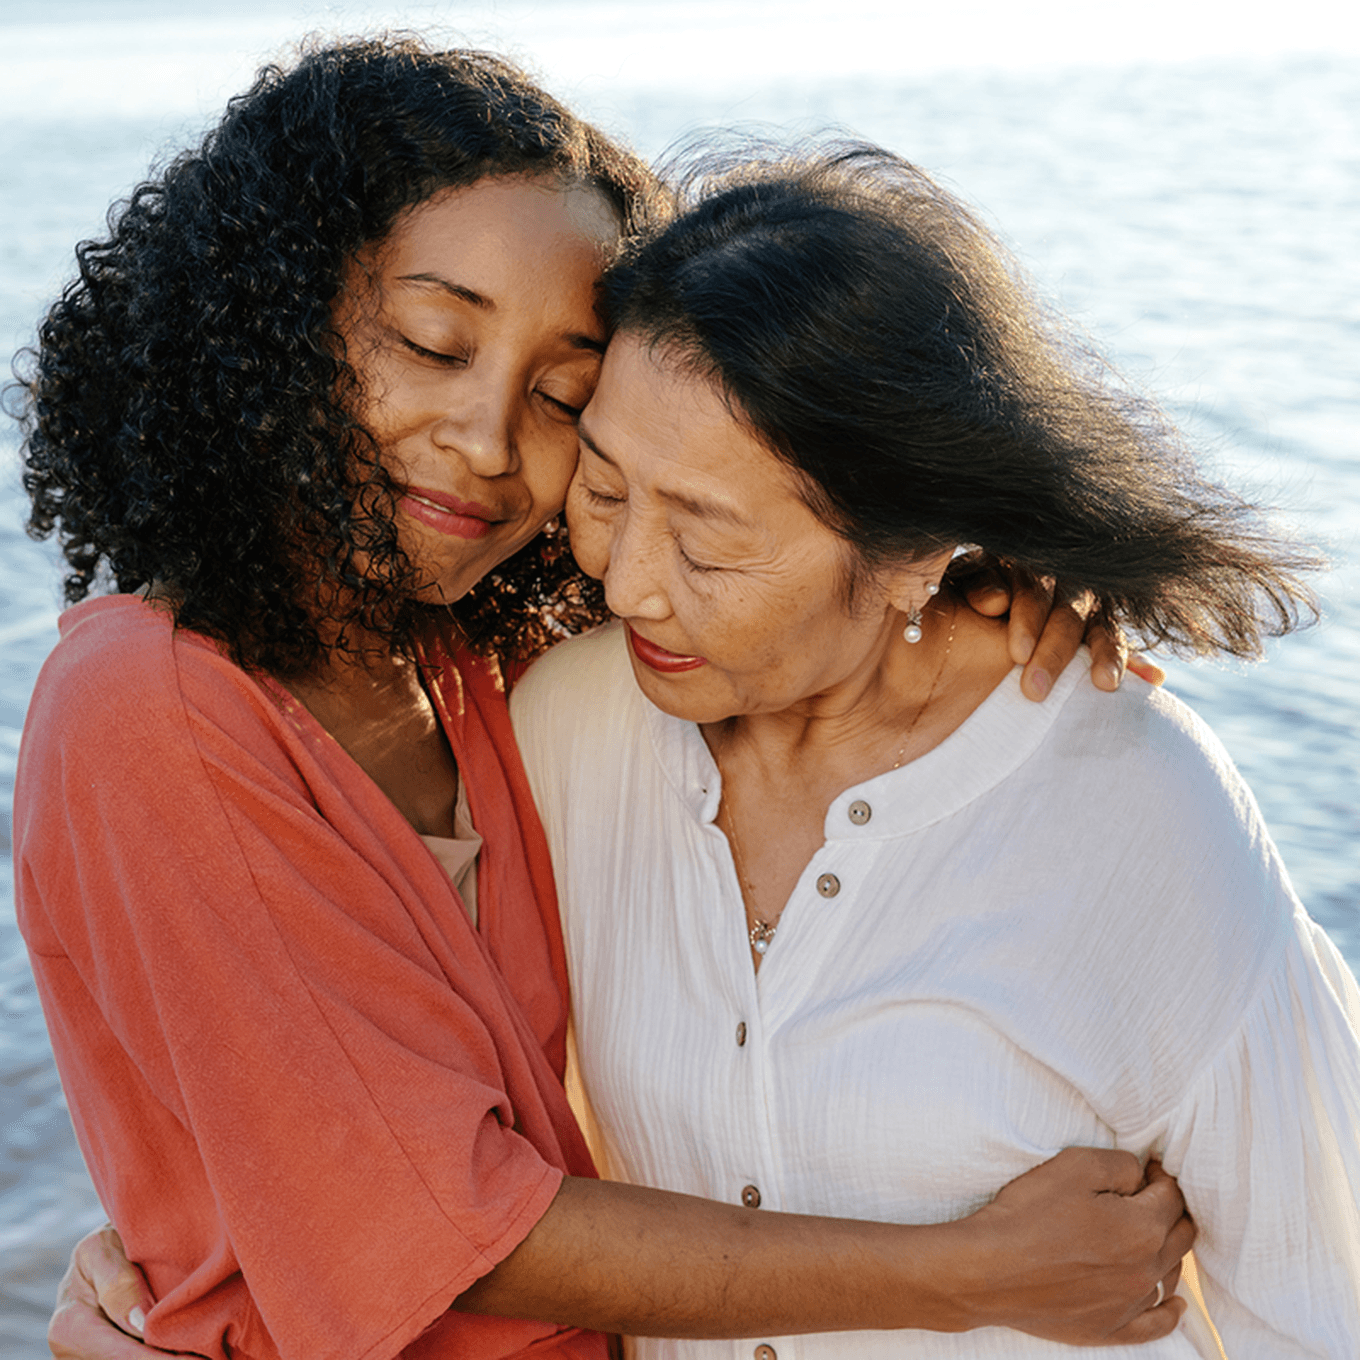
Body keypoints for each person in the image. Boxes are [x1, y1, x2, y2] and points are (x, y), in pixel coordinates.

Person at [13, 37, 1190, 1360]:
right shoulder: (146, 711)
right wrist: (975, 1272)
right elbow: (460, 1235)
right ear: (270, 322)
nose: (487, 436)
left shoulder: (480, 668)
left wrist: (957, 585)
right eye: (432, 341)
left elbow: (763, 516)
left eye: (562, 395)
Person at [500, 143, 1360, 1356]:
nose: (627, 579)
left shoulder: (1138, 806)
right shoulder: (561, 732)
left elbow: (1318, 1305)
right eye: (602, 490)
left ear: (915, 550)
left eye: (705, 539)